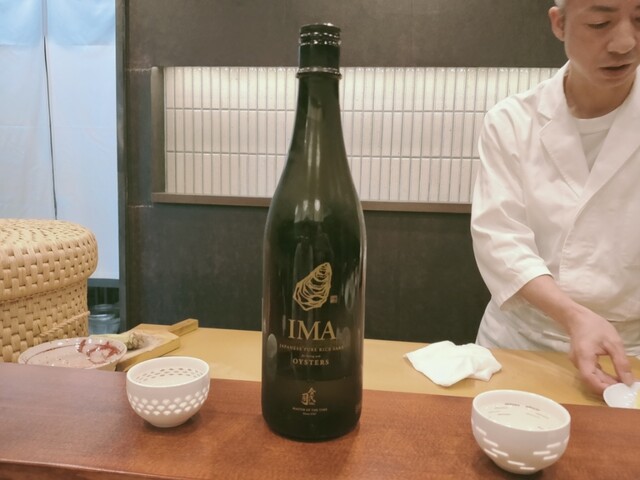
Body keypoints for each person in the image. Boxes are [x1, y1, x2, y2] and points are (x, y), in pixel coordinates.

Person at [470, 0, 640, 394]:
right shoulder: (512, 120)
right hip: (523, 340)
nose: (625, 43)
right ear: (559, 23)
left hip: (629, 349)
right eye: (600, 22)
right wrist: (574, 316)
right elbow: (499, 238)